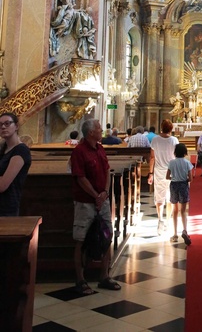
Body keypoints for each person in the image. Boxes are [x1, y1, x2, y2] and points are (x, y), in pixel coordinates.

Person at [70, 118, 121, 295]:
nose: (102, 131)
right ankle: (80, 280)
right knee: (81, 239)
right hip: (85, 202)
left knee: (107, 235)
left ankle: (104, 276)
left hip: (102, 200)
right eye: (99, 128)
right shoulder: (79, 152)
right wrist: (95, 195)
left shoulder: (100, 148)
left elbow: (107, 170)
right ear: (91, 132)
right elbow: (80, 177)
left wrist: (105, 192)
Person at [148, 120, 179, 235]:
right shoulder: (174, 140)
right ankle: (168, 221)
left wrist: (150, 173)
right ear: (171, 129)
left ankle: (160, 220)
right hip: (171, 172)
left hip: (159, 172)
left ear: (161, 127)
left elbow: (152, 158)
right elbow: (177, 157)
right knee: (170, 197)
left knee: (159, 197)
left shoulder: (155, 140)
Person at [0, 112, 32, 216]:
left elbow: (3, 185)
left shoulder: (21, 150)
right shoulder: (3, 149)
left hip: (7, 207)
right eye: (0, 125)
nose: (3, 127)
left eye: (7, 123)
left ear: (16, 126)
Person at [166, 143, 193, 245]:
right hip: (183, 185)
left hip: (174, 185)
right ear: (185, 152)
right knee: (183, 210)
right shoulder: (187, 163)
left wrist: (174, 177)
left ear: (175, 152)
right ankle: (185, 230)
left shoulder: (172, 162)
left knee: (175, 210)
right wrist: (185, 179)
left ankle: (174, 234)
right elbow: (191, 178)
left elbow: (167, 176)